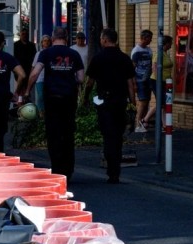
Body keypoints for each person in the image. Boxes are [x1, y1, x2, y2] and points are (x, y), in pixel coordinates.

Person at [27, 26, 84, 182]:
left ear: (52, 39)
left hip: (52, 98)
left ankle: (57, 168)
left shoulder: (46, 53)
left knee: (53, 134)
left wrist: (27, 92)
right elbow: (80, 78)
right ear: (66, 38)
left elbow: (34, 74)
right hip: (69, 98)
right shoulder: (74, 54)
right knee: (68, 133)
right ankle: (68, 170)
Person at [84, 27, 135, 183]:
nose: (100, 40)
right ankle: (115, 172)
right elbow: (131, 84)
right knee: (118, 137)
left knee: (108, 135)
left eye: (101, 38)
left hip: (105, 102)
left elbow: (90, 82)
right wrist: (132, 104)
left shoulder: (98, 58)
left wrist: (85, 98)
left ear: (105, 40)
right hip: (120, 101)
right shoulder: (125, 58)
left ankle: (110, 168)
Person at [130, 29, 154, 133]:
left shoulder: (149, 50)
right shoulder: (136, 51)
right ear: (144, 38)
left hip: (148, 79)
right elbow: (132, 68)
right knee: (143, 102)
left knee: (146, 101)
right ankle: (137, 124)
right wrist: (134, 83)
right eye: (149, 38)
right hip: (140, 80)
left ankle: (143, 123)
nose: (151, 41)